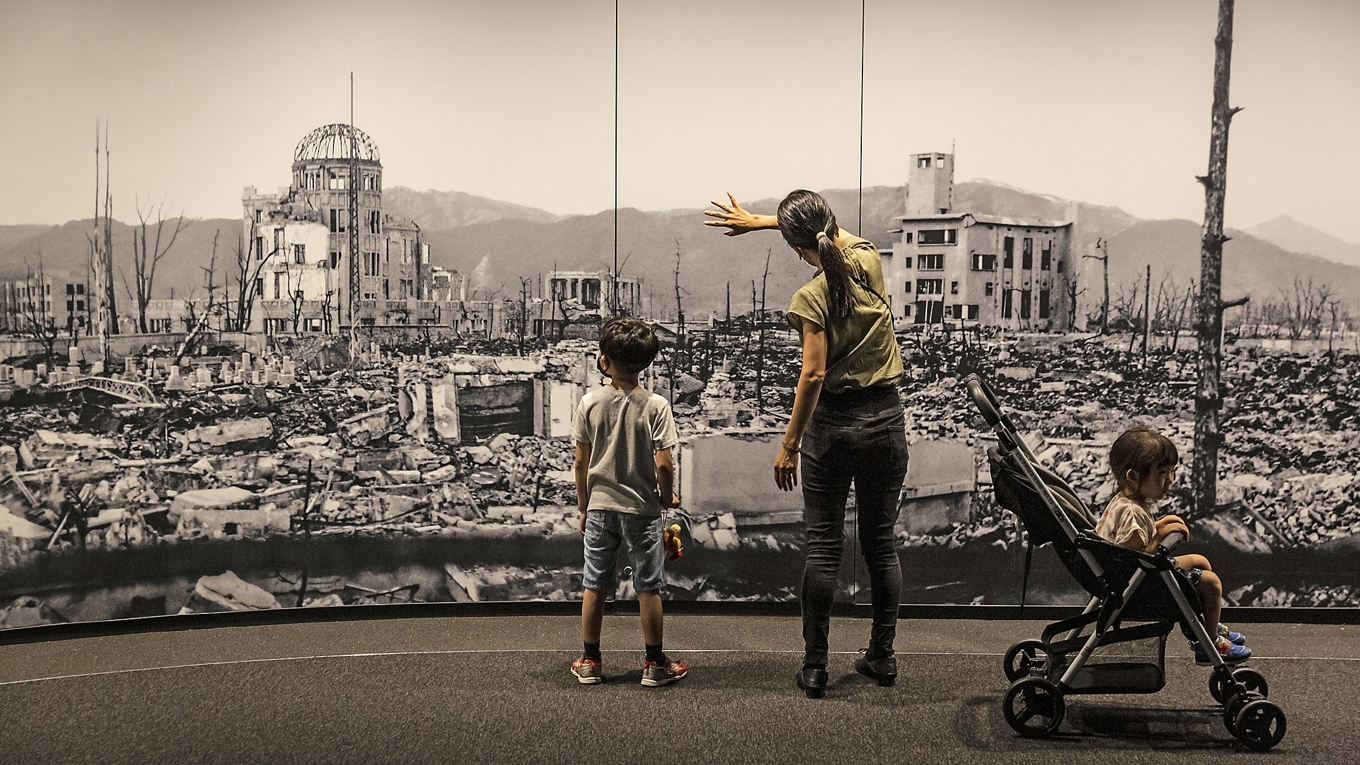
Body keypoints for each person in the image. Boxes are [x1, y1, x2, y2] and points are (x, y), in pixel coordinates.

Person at [706, 190, 909, 698]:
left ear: (799, 249)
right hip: (885, 420)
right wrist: (764, 222)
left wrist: (789, 444)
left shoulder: (810, 298)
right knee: (881, 546)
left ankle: (816, 667)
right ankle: (882, 656)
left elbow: (814, 374)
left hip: (831, 428)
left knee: (823, 549)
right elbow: (826, 232)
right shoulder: (868, 259)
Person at [570, 316, 688, 687]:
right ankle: (654, 665)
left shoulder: (589, 402)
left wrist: (584, 507)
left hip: (601, 507)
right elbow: (664, 464)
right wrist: (666, 496)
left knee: (595, 584)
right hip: (642, 510)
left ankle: (590, 662)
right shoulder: (657, 405)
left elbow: (580, 462)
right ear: (647, 363)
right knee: (648, 587)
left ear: (604, 361)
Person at [1096, 427, 1251, 665]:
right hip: (1138, 584)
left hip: (1132, 575)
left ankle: (1203, 623)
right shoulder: (1132, 513)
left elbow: (1136, 542)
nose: (1170, 480)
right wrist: (1161, 536)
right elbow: (1137, 559)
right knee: (1211, 583)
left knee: (1200, 561)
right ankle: (1207, 644)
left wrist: (1160, 524)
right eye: (1162, 472)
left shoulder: (1125, 501)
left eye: (1172, 471)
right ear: (1133, 477)